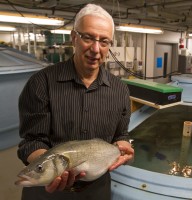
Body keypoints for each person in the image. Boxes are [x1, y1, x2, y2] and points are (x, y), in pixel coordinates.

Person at [17, 3, 134, 200]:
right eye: (88, 37)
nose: (96, 49)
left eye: (104, 41)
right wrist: (50, 171)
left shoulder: (120, 90)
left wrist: (124, 148)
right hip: (47, 190)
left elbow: (121, 135)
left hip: (96, 191)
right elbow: (31, 141)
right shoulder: (41, 83)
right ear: (74, 38)